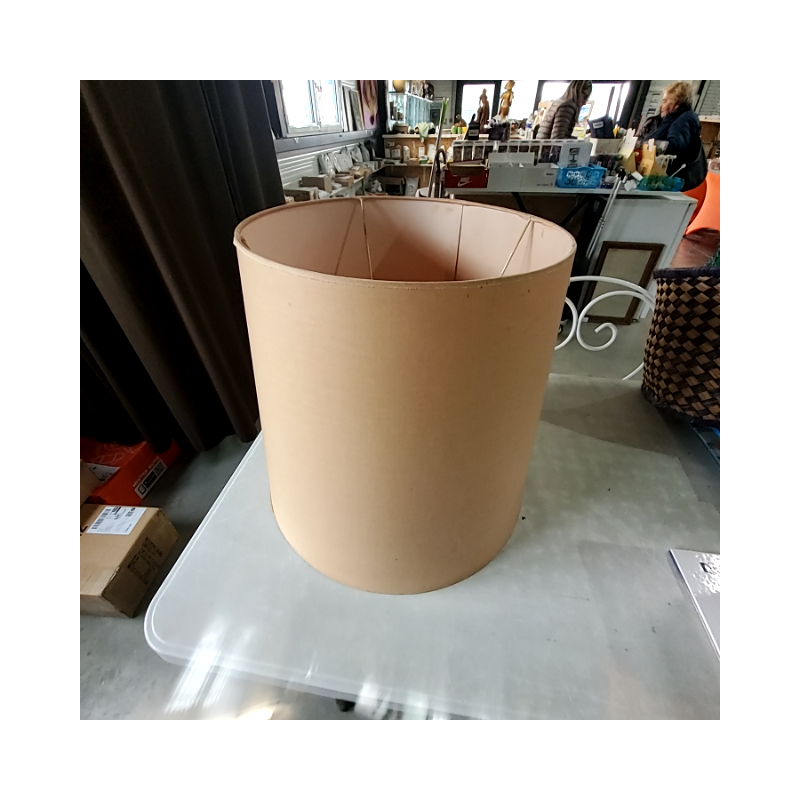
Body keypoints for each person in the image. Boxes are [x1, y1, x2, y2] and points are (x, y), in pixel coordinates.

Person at [641, 81, 706, 190]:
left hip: (675, 180)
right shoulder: (671, 119)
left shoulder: (685, 119)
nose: (661, 106)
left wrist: (651, 144)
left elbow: (674, 146)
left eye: (665, 101)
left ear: (676, 103)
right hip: (666, 178)